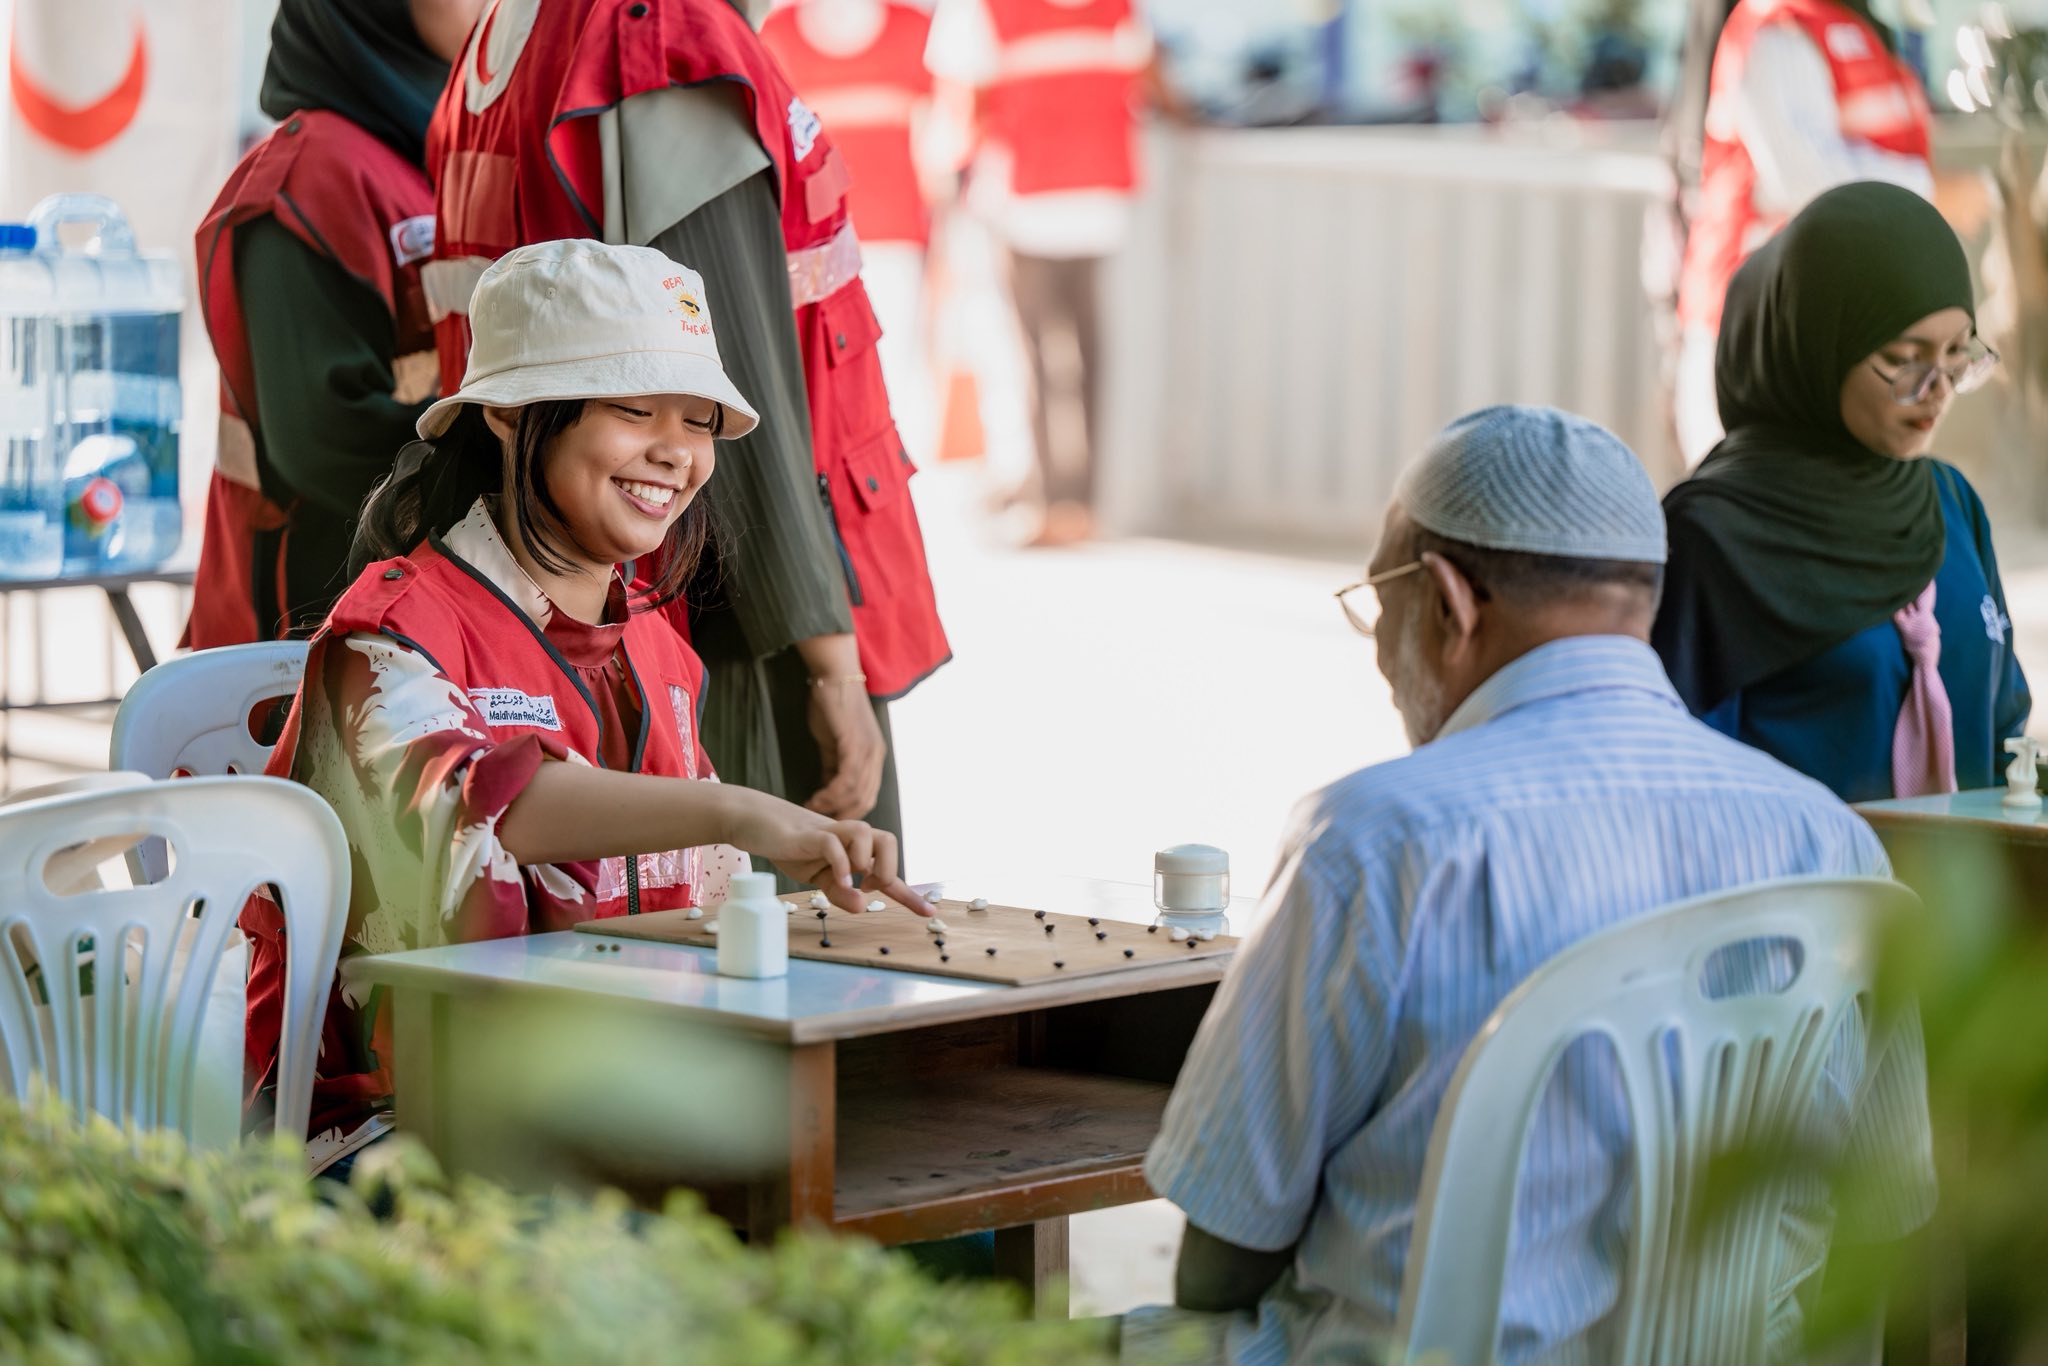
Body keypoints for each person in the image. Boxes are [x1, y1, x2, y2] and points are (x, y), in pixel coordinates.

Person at [1128, 406, 1934, 1363]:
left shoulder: (1375, 842)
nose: (1380, 651)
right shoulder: (1833, 845)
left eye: (1378, 602)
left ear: (1447, 602)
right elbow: (1883, 1220)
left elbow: (1221, 1262)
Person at [240, 240, 929, 1150]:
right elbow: (489, 809)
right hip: (398, 1135)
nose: (674, 453)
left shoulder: (657, 647)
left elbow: (701, 911)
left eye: (699, 423)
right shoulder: (387, 637)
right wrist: (745, 811)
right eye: (634, 410)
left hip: (619, 1104)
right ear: (508, 414)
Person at [426, 0, 949, 850]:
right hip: (730, 612)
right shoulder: (659, 35)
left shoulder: (499, 46)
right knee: (776, 910)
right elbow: (721, 390)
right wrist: (830, 665)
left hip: (586, 584)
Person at [1656, 183, 2029, 803]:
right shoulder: (1715, 539)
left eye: (1957, 355)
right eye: (1906, 359)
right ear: (1816, 345)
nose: (1938, 389)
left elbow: (2004, 730)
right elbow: (1685, 784)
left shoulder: (1949, 504)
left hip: (1964, 869)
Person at [183, 0, 484, 648]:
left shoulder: (432, 153)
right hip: (311, 640)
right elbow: (326, 442)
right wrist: (522, 463)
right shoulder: (309, 175)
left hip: (412, 612)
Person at [1672, 0, 1957, 464]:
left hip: (1828, 332)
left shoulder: (1852, 26)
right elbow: (1802, 180)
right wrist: (1930, 190)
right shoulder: (1777, 29)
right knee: (1749, 495)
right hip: (1758, 329)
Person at [923, 0, 1158, 545]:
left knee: (1033, 357)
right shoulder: (1118, 6)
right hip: (1099, 196)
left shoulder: (984, 9)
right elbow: (1142, 76)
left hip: (1023, 200)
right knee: (1089, 355)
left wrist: (950, 183)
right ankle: (1083, 503)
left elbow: (962, 107)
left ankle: (1050, 504)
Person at [763, 0, 939, 463]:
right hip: (806, 248)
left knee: (896, 370)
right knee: (815, 380)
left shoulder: (914, 32)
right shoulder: (775, 35)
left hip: (894, 236)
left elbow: (938, 144)